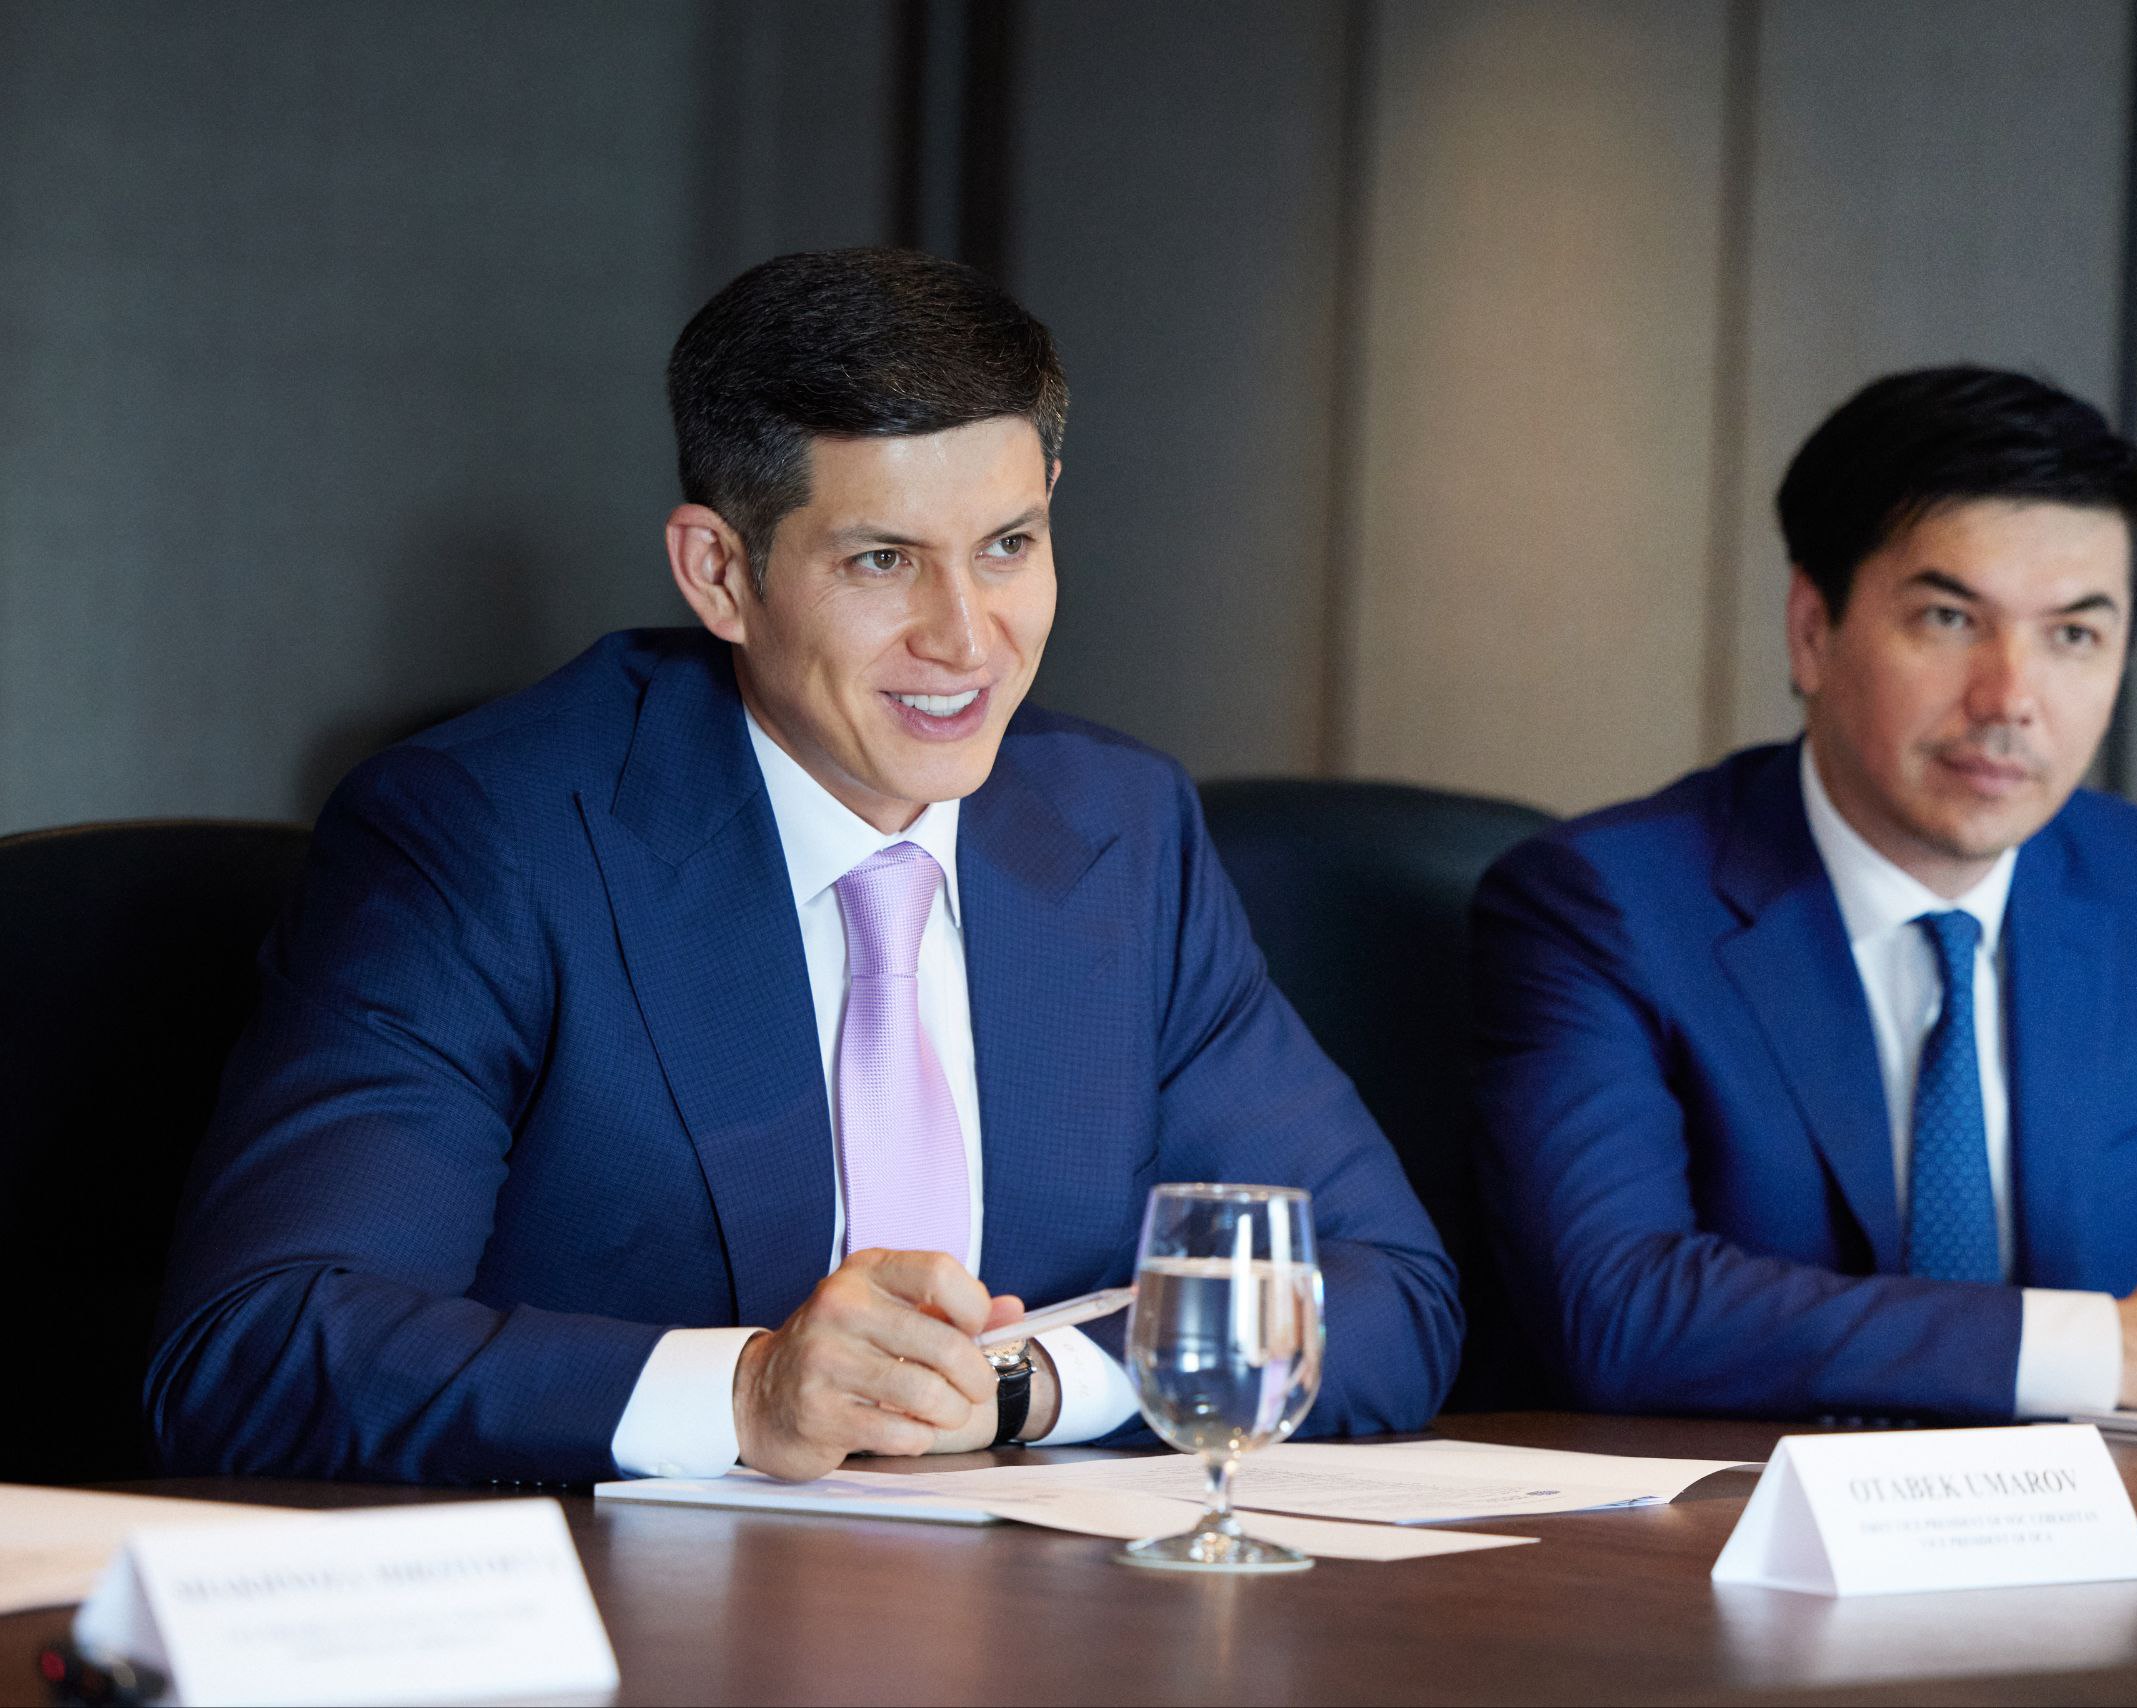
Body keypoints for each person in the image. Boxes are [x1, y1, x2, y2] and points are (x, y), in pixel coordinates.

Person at [148, 248, 1459, 1484]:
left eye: (1007, 546)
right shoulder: (487, 834)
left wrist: (1023, 1387)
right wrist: (749, 1396)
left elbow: (1383, 1286)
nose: (968, 639)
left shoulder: (1121, 829)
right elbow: (261, 1340)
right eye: (884, 560)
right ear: (720, 573)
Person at [1471, 366, 2137, 1423]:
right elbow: (1617, 1308)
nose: (2010, 698)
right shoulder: (1606, 904)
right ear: (1812, 630)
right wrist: (2122, 1351)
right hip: (1729, 1520)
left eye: (2073, 635)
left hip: (2098, 1523)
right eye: (1948, 618)